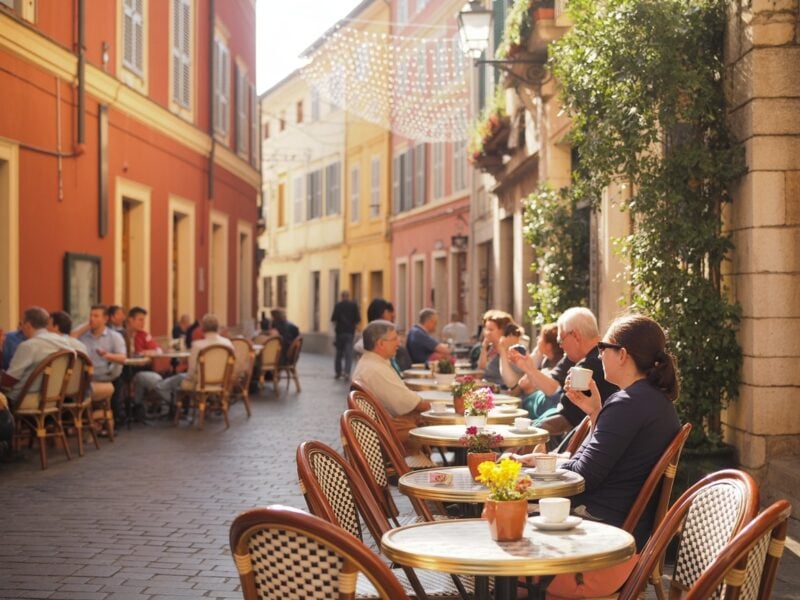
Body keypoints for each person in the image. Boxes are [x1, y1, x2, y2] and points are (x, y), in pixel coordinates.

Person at [508, 314, 681, 597]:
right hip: (620, 545)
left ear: (622, 354)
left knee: (497, 547)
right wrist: (596, 413)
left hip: (596, 557)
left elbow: (582, 477)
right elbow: (605, 462)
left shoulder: (627, 405)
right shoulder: (653, 401)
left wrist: (535, 473)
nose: (599, 355)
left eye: (603, 347)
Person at [509, 307, 617, 438]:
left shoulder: (586, 368)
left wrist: (527, 432)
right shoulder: (605, 356)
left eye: (561, 340)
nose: (561, 346)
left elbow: (565, 419)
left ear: (575, 335)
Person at [352, 320, 430, 452]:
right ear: (380, 344)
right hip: (385, 436)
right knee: (429, 421)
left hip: (381, 428)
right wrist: (430, 406)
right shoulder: (376, 369)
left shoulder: (372, 362)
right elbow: (407, 402)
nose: (399, 343)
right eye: (394, 339)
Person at [146, 314, 233, 414]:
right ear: (217, 327)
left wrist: (188, 378)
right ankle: (180, 405)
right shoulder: (228, 343)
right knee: (179, 379)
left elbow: (191, 371)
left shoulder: (197, 345)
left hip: (200, 382)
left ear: (202, 328)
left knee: (169, 383)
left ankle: (176, 404)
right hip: (223, 382)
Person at [0, 307, 76, 407]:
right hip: (55, 400)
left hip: (23, 400)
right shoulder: (65, 343)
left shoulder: (28, 346)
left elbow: (8, 381)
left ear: (28, 325)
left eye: (22, 323)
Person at [79, 304, 127, 422]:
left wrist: (107, 355)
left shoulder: (114, 337)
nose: (92, 319)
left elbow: (122, 358)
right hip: (85, 376)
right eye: (90, 315)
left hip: (105, 375)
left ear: (105, 319)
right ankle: (87, 418)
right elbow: (70, 337)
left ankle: (90, 418)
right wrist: (85, 326)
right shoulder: (83, 336)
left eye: (96, 316)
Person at [477, 310, 523, 389]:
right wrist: (484, 347)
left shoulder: (512, 350)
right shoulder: (490, 348)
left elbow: (514, 381)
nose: (487, 333)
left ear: (502, 331)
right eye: (486, 329)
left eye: (491, 330)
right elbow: (481, 368)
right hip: (487, 388)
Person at [330, 290, 360, 380]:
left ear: (342, 296)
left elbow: (333, 319)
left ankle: (338, 372)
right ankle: (347, 373)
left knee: (339, 353)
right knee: (348, 354)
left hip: (340, 333)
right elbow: (358, 319)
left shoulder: (338, 305)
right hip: (350, 333)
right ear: (348, 296)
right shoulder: (353, 305)